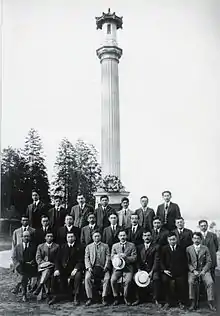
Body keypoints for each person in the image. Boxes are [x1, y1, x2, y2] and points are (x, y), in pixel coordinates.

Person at [51, 232, 84, 305]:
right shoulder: (62, 247)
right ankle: (55, 296)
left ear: (75, 238)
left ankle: (76, 296)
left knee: (78, 276)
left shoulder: (80, 247)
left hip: (74, 269)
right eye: (68, 237)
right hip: (64, 269)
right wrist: (57, 269)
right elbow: (57, 260)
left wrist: (76, 269)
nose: (70, 238)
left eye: (72, 236)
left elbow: (81, 260)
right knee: (54, 276)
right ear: (66, 238)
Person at [186, 232, 216, 311]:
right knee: (191, 281)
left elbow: (209, 261)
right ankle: (192, 302)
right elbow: (187, 262)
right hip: (193, 271)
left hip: (204, 270)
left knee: (210, 282)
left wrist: (204, 270)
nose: (196, 240)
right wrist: (193, 270)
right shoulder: (188, 249)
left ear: (201, 239)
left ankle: (210, 302)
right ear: (192, 239)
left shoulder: (205, 248)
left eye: (198, 238)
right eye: (195, 238)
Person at [160, 232, 188, 309]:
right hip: (167, 272)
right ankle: (168, 302)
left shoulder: (181, 249)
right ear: (167, 240)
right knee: (165, 281)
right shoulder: (164, 249)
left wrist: (179, 271)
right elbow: (161, 261)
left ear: (176, 239)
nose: (172, 241)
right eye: (170, 240)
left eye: (174, 239)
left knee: (181, 282)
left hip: (179, 272)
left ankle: (181, 302)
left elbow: (184, 262)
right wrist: (164, 270)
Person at [134, 230, 161, 306]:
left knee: (156, 278)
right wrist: (139, 269)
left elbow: (157, 260)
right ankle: (139, 298)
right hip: (142, 269)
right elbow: (137, 260)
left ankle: (156, 299)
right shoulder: (139, 247)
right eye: (145, 236)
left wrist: (152, 271)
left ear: (151, 236)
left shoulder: (156, 247)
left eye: (148, 235)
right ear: (142, 237)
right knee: (137, 278)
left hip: (152, 269)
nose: (147, 237)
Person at [111, 229, 137, 306]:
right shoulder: (115, 246)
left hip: (128, 268)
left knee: (128, 281)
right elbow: (111, 257)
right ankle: (116, 297)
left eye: (124, 235)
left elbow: (134, 258)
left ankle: (126, 297)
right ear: (118, 237)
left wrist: (126, 257)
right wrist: (117, 257)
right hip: (118, 267)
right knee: (113, 280)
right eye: (121, 235)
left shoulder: (132, 245)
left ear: (127, 236)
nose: (122, 237)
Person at [85, 230, 111, 306]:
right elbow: (86, 258)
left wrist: (106, 267)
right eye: (95, 236)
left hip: (103, 268)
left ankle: (104, 297)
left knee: (107, 278)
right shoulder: (88, 247)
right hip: (92, 268)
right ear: (92, 237)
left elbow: (108, 257)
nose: (97, 237)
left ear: (101, 237)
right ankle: (89, 298)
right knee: (87, 278)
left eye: (98, 236)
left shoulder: (105, 246)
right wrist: (89, 267)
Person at [12, 231, 37, 302]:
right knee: (23, 275)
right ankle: (24, 294)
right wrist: (16, 265)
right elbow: (14, 257)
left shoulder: (34, 246)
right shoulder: (18, 247)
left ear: (30, 237)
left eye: (28, 236)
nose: (26, 238)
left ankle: (18, 286)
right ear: (22, 237)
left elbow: (37, 256)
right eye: (25, 236)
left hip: (31, 266)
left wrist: (33, 262)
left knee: (24, 276)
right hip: (20, 266)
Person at [34, 231, 59, 300]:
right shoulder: (40, 246)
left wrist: (52, 265)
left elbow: (57, 259)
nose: (49, 238)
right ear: (45, 237)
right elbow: (38, 258)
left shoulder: (57, 246)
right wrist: (46, 264)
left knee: (48, 271)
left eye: (51, 236)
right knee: (47, 270)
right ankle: (47, 292)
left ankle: (40, 286)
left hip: (52, 267)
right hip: (42, 266)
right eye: (48, 236)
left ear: (53, 238)